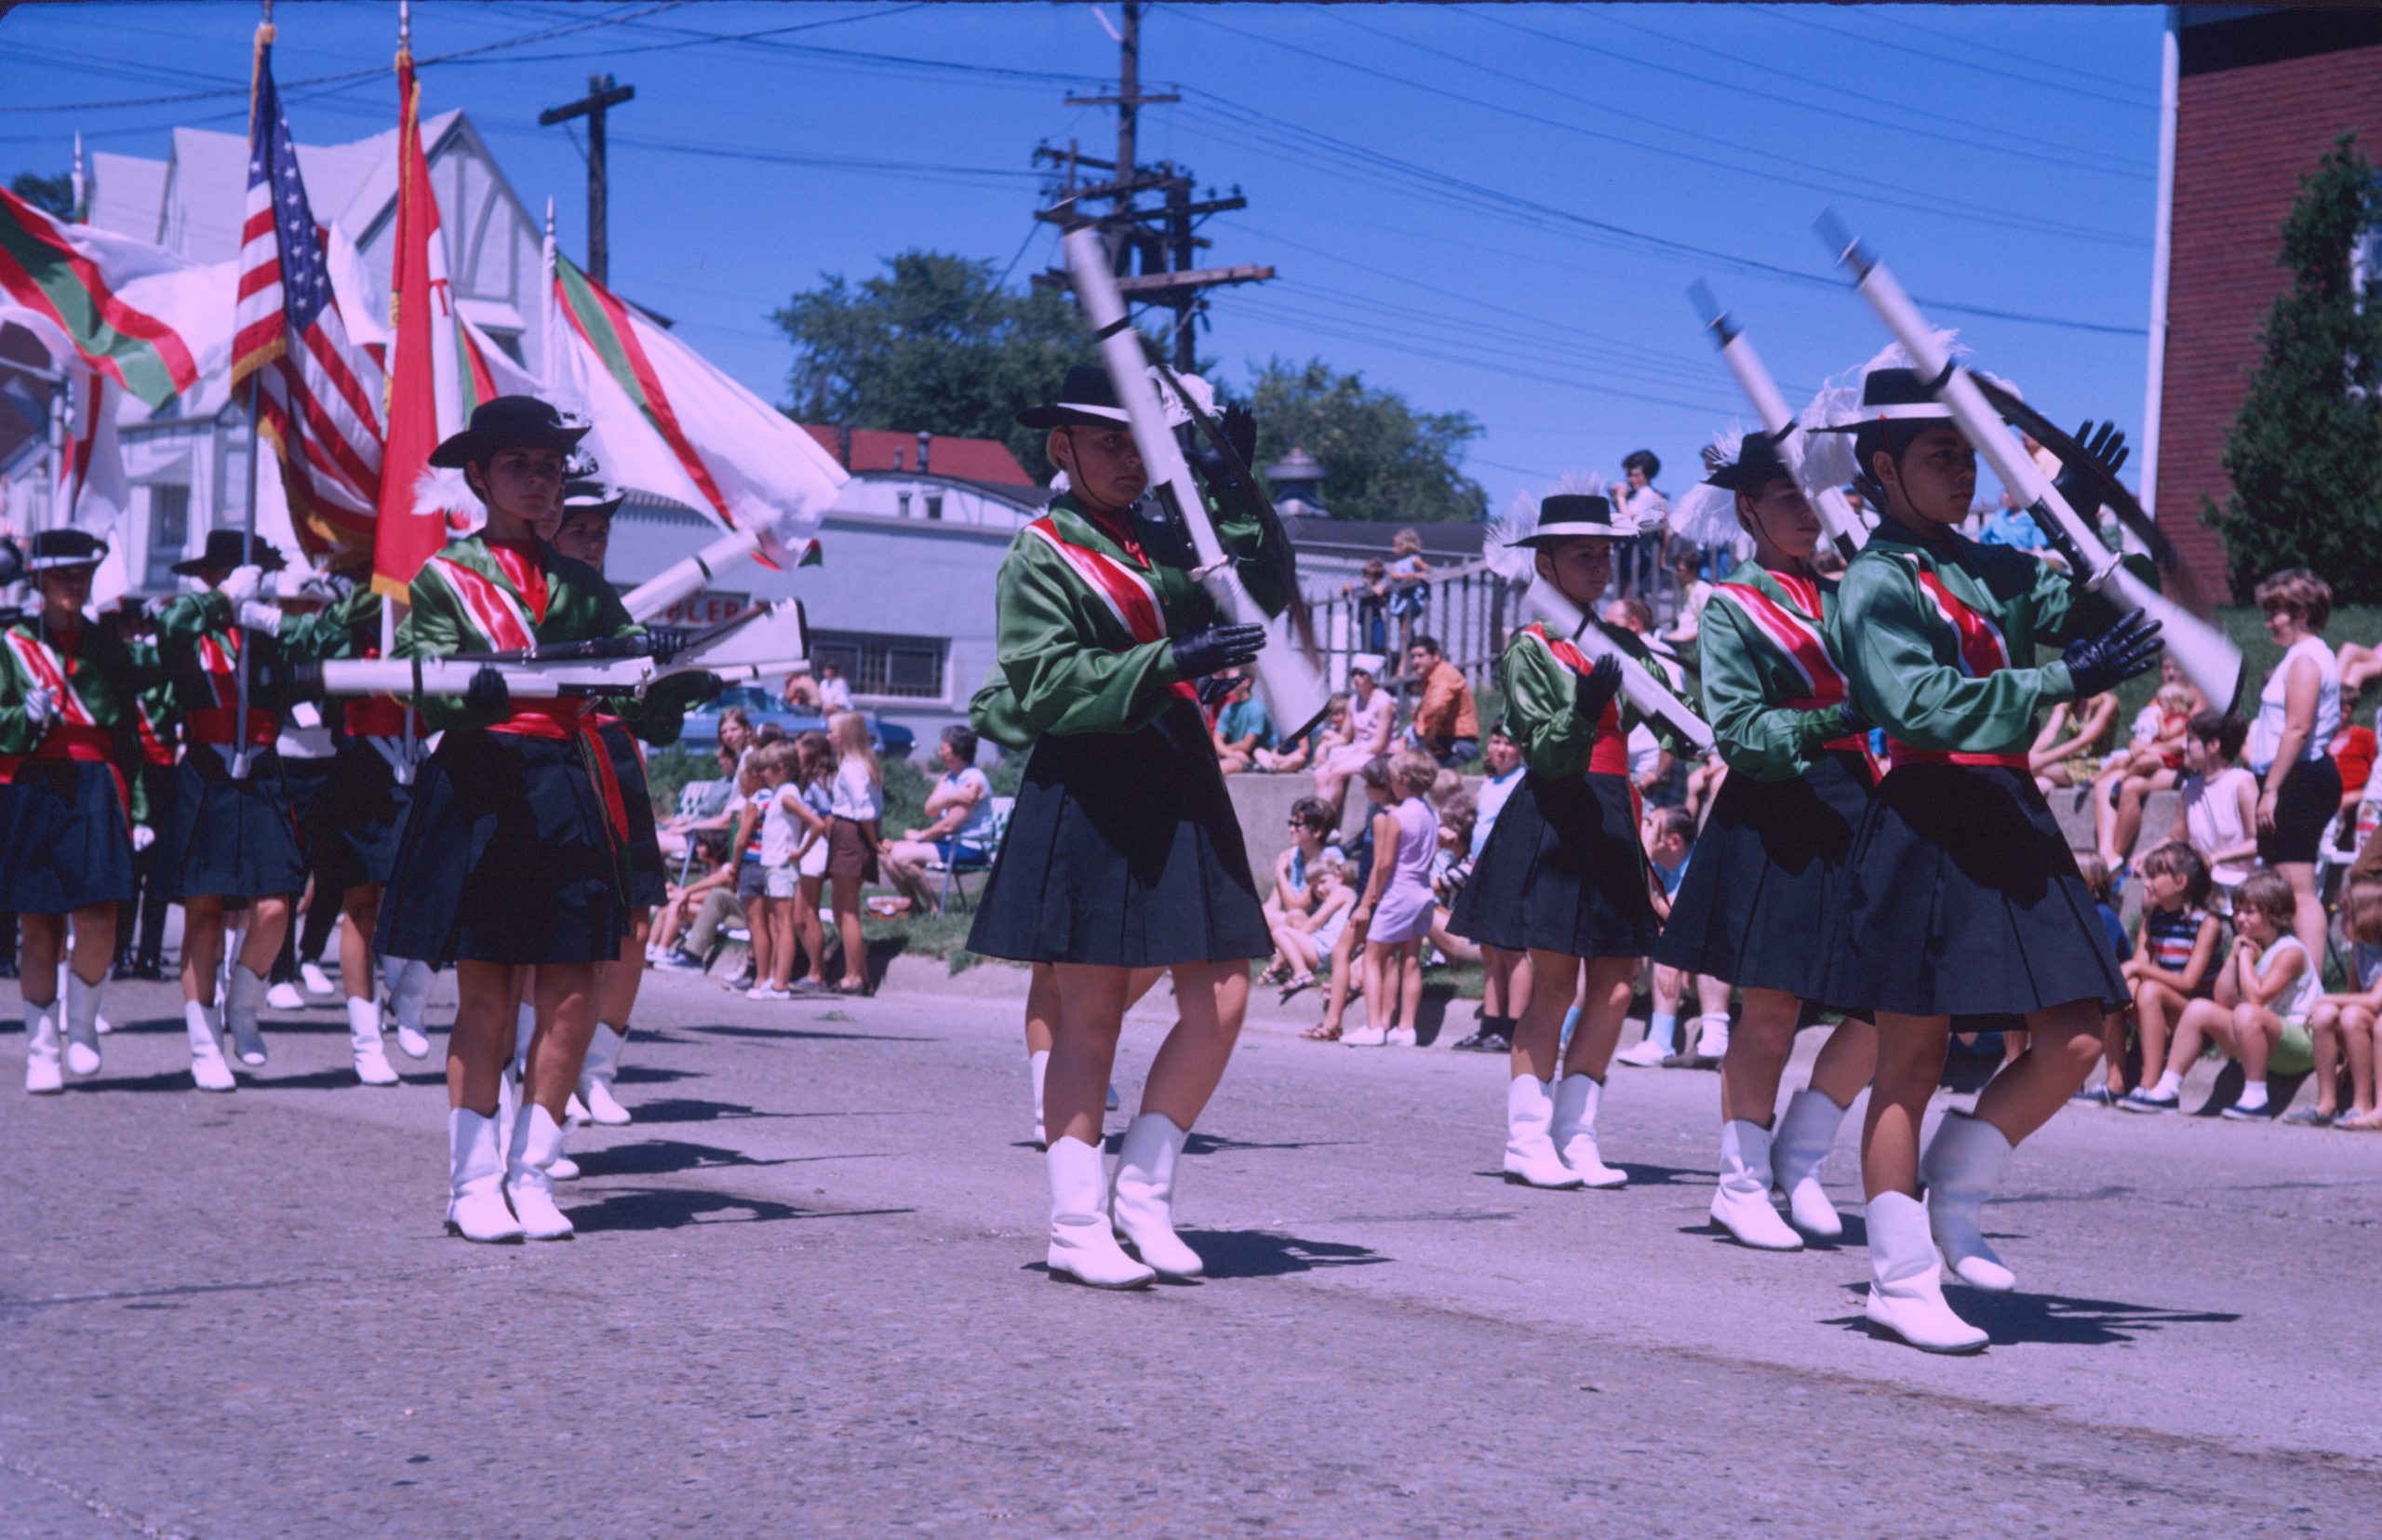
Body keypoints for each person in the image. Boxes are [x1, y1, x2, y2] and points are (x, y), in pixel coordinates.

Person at [1810, 360, 2160, 1352]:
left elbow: (2091, 614)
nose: (1962, 471)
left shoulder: (1981, 564)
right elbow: (1913, 704)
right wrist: (2058, 676)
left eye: (1968, 454)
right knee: (1911, 1057)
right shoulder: (1874, 582)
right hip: (1927, 815)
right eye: (1940, 454)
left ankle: (1954, 1185)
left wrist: (2075, 518)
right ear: (1883, 465)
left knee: (2080, 1034)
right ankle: (1898, 1273)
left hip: (2005, 811)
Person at [966, 363, 1287, 1288]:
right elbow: (1041, 680)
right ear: (1059, 445)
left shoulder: (1156, 544)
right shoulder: (1040, 552)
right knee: (1091, 1011)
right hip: (1092, 776)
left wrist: (1230, 487)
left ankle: (1143, 1194)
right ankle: (1075, 1222)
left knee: (1224, 989)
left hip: (1176, 771)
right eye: (1111, 440)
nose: (1133, 460)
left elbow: (1253, 590)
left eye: (1145, 442)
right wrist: (1165, 658)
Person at [375, 395, 716, 1243]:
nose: (540, 480)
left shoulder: (582, 586)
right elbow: (408, 674)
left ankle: (534, 1171)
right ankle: (473, 1180)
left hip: (568, 785)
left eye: (552, 465)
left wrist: (679, 676)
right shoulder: (445, 576)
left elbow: (631, 681)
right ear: (480, 476)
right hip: (486, 784)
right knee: (488, 989)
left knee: (571, 990)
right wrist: (464, 683)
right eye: (520, 465)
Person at [1650, 433, 1885, 1248]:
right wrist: (1840, 715)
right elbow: (1740, 733)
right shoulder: (1728, 605)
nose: (1804, 513)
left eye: (1810, 496)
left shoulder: (1850, 591)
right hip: (1779, 805)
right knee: (1774, 1007)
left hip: (1857, 803)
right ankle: (1740, 1183)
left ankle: (1804, 1152)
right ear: (1747, 508)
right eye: (1785, 498)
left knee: (1893, 999)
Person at [1449, 492, 1682, 1194]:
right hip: (1558, 809)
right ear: (1544, 563)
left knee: (1615, 987)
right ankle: (1527, 1139)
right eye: (1582, 553)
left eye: (1605, 551)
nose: (1599, 563)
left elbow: (1676, 717)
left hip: (1613, 812)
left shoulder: (1623, 642)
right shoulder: (1532, 646)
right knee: (1553, 983)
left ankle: (1576, 1134)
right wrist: (1583, 710)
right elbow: (1545, 753)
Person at [154, 529, 348, 1090]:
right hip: (207, 773)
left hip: (261, 768)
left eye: (253, 571)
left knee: (273, 909)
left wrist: (268, 618)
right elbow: (168, 628)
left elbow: (332, 639)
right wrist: (221, 604)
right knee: (205, 913)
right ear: (210, 575)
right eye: (230, 571)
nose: (244, 579)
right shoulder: (191, 624)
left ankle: (242, 1006)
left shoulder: (267, 634)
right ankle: (202, 1039)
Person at [549, 467, 698, 1118]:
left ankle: (599, 1069)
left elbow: (647, 719)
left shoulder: (615, 607)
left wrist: (672, 684)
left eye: (599, 532)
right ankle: (548, 1068)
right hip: (557, 761)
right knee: (559, 932)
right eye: (577, 529)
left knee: (635, 926)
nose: (590, 541)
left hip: (615, 764)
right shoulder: (533, 601)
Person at [0, 530, 157, 1094]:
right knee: (38, 927)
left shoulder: (107, 646)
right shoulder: (11, 642)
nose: (75, 584)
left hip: (94, 784)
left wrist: (138, 807)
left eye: (83, 574)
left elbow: (127, 736)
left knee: (100, 919)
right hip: (35, 782)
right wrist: (24, 716)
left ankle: (84, 1023)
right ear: (39, 579)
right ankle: (42, 1050)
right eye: (63, 574)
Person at [306, 579, 433, 1086]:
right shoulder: (356, 618)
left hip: (424, 758)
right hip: (364, 763)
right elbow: (322, 641)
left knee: (432, 895)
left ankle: (412, 997)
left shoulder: (436, 609)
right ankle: (366, 1041)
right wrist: (370, 594)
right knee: (361, 907)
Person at [2142, 869, 2317, 1121]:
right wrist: (2235, 957)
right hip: (2260, 1037)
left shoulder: (2290, 951)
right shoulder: (2251, 945)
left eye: (2250, 911)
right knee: (2199, 1008)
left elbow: (2257, 999)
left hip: (2299, 1045)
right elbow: (2223, 1000)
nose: (2240, 918)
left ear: (2275, 912)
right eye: (2237, 911)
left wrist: (2245, 958)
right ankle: (2167, 1089)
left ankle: (2256, 1098)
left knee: (2247, 1012)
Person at [2245, 569, 2343, 971]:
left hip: (2299, 780)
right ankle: (2289, 977)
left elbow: (2298, 728)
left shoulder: (2306, 659)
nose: (2269, 623)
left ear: (2301, 613)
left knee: (2299, 889)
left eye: (2276, 613)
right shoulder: (2303, 656)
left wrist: (2270, 790)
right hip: (2292, 778)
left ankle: (2312, 986)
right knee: (2285, 887)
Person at [2110, 842, 2220, 1111]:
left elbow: (2188, 983)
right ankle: (2115, 1083)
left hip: (2195, 1017)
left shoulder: (2207, 924)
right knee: (2119, 991)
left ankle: (2151, 1085)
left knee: (2149, 990)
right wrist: (2129, 985)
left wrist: (2137, 972)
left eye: (2155, 876)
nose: (2146, 883)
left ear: (2180, 882)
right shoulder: (2153, 919)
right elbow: (2138, 966)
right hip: (2162, 1010)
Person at [1345, 752, 1439, 1047]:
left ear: (1403, 780)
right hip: (1423, 891)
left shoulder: (1397, 816)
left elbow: (1384, 863)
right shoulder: (1429, 813)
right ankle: (1406, 1028)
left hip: (1399, 891)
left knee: (1373, 957)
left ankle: (1374, 1027)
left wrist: (1370, 899)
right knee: (1410, 959)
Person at [1451, 728, 1532, 1054]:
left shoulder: (1524, 783)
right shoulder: (1490, 783)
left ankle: (1513, 1030)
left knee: (1512, 952)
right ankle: (1489, 1025)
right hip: (1482, 873)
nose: (1500, 749)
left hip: (1510, 874)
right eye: (1495, 741)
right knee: (1489, 952)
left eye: (1508, 744)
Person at [882, 726, 994, 915]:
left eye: (943, 748)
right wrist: (954, 796)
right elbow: (930, 810)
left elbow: (949, 825)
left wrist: (921, 836)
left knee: (900, 856)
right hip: (949, 842)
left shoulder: (974, 780)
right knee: (886, 857)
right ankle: (915, 909)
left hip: (970, 846)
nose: (939, 753)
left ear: (957, 751)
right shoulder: (949, 777)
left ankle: (934, 909)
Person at [2095, 675, 2196, 872]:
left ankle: (2116, 854)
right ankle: (2105, 852)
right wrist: (2137, 744)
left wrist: (2150, 748)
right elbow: (2147, 737)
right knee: (2103, 785)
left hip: (2176, 766)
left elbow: (2180, 743)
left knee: (2130, 786)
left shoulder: (2186, 714)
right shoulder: (2164, 713)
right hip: (2154, 758)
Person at [2304, 876, 2382, 1129]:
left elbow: (2372, 1001)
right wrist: (2348, 1062)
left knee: (2353, 1016)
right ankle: (2327, 1102)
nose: (2342, 924)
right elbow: (2352, 994)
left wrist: (2323, 997)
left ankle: (2367, 1106)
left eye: (2348, 918)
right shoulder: (2360, 947)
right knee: (2327, 1014)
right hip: (2370, 1019)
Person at [2171, 711, 2259, 904]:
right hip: (2205, 882)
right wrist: (2146, 855)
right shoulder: (2189, 787)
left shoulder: (2242, 784)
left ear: (2213, 745)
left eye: (2190, 741)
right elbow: (2176, 839)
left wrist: (2215, 858)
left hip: (2242, 886)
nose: (2184, 747)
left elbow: (2258, 842)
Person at [823, 710, 882, 994]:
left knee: (846, 911)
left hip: (850, 834)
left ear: (845, 735)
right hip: (852, 833)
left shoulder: (850, 768)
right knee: (844, 909)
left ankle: (853, 976)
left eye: (832, 732)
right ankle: (860, 972)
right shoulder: (863, 763)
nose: (828, 736)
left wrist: (873, 842)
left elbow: (863, 810)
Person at [1259, 797, 1336, 985]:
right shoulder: (1293, 856)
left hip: (1319, 931)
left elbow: (1297, 905)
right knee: (1259, 913)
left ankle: (1285, 959)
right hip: (1296, 923)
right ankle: (1279, 952)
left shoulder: (1327, 860)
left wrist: (1280, 873)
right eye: (1290, 822)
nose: (1291, 829)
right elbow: (1272, 904)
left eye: (1297, 825)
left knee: (1294, 914)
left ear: (1317, 831)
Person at [749, 741, 803, 1001]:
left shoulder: (788, 794)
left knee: (784, 924)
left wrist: (799, 852)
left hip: (782, 866)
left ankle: (781, 984)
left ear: (781, 768)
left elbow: (816, 823)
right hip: (774, 865)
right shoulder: (782, 792)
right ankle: (773, 979)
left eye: (767, 769)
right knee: (776, 923)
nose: (763, 775)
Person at [1312, 655, 1393, 821]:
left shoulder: (1384, 702)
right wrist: (1325, 746)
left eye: (1363, 674)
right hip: (1358, 750)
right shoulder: (1353, 702)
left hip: (1379, 754)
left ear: (1373, 677)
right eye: (1354, 673)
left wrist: (1350, 755)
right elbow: (1344, 737)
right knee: (1321, 772)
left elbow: (1379, 744)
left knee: (1336, 772)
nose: (1357, 678)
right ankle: (1318, 818)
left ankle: (1327, 821)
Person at [1401, 636, 1479, 768]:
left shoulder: (1444, 677)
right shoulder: (1431, 675)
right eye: (1413, 657)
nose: (1415, 661)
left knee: (1417, 768)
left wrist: (1427, 744)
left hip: (1458, 743)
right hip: (1441, 740)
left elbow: (1436, 709)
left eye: (1420, 656)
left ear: (1436, 656)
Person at [2027, 688, 2118, 795]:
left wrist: (2041, 759)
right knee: (2039, 783)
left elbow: (2083, 741)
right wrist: (2028, 754)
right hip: (2067, 762)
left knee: (2029, 770)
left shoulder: (2108, 702)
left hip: (2095, 764)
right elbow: (2049, 734)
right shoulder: (2068, 701)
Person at [1613, 449, 1667, 601]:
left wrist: (1620, 498)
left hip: (1640, 554)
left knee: (1630, 596)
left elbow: (1627, 519)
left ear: (1647, 476)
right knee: (1625, 594)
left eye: (1637, 475)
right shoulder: (1637, 494)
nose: (1632, 480)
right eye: (1630, 475)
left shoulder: (1647, 493)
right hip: (1631, 553)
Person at [1208, 670, 1273, 775]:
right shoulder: (1229, 708)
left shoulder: (1257, 708)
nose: (1229, 684)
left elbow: (1246, 745)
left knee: (1219, 769)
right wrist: (1230, 753)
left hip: (1253, 758)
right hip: (1235, 755)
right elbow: (1216, 739)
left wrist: (1224, 750)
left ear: (1246, 682)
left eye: (1233, 680)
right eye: (1228, 681)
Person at [1385, 528, 1431, 655]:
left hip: (1411, 599)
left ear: (1405, 546)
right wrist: (1403, 577)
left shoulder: (1415, 560)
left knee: (1406, 628)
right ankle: (1409, 653)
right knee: (1404, 630)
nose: (1393, 549)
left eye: (1396, 546)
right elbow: (1393, 575)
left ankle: (1407, 656)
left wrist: (1415, 576)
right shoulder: (1398, 563)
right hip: (1401, 599)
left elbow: (1428, 571)